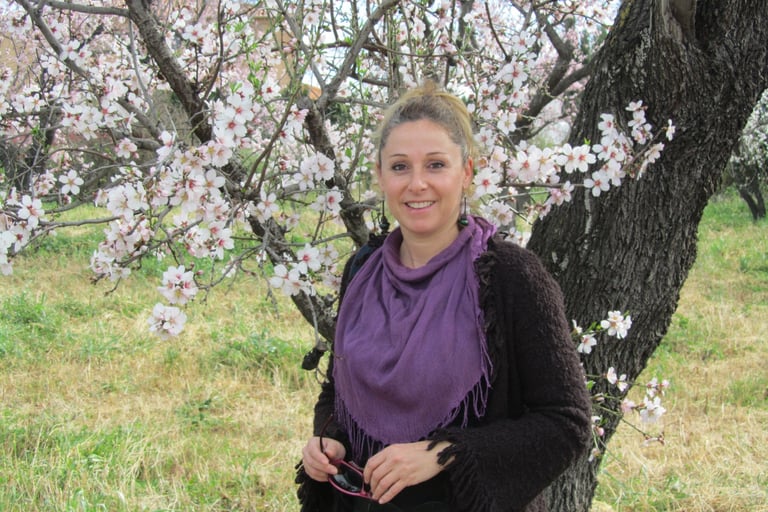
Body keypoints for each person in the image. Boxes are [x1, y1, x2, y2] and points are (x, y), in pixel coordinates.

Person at [296, 81, 592, 512]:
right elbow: (338, 390)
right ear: (380, 176)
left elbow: (567, 423)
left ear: (466, 173)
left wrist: (444, 453)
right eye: (400, 167)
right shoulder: (363, 271)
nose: (417, 184)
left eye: (436, 165)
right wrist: (330, 441)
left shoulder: (510, 278)